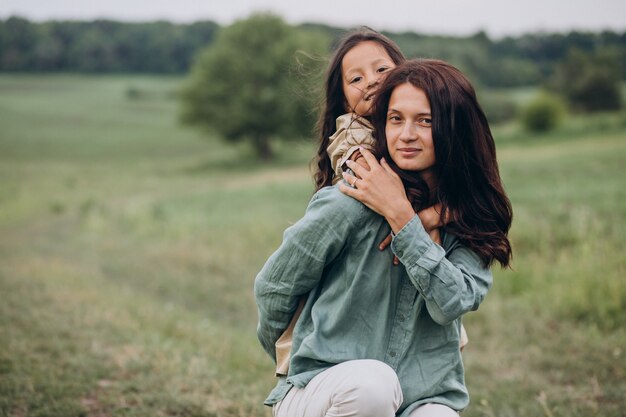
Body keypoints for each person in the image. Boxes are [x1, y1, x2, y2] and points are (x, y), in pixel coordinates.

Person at [255, 59, 512, 416]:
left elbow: (448, 305)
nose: (406, 134)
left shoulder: (471, 218)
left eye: (425, 120)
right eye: (395, 119)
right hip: (325, 393)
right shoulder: (347, 202)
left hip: (418, 398)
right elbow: (273, 287)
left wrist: (403, 219)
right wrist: (288, 364)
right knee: (372, 386)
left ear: (455, 128)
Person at [274, 29, 463, 377]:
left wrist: (433, 216)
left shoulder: (424, 132)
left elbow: (463, 191)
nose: (372, 82)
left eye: (381, 70)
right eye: (356, 79)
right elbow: (375, 183)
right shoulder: (355, 138)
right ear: (345, 102)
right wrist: (421, 219)